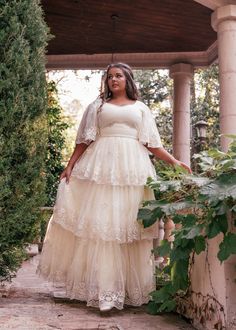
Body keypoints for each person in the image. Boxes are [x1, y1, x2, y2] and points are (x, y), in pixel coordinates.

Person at [38, 63, 191, 312]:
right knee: (104, 227)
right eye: (109, 77)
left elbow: (151, 143)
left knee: (129, 226)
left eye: (118, 75)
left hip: (132, 170)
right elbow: (84, 140)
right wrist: (70, 166)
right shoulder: (97, 106)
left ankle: (130, 289)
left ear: (128, 79)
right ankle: (104, 291)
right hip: (101, 168)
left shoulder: (141, 108)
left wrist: (173, 160)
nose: (113, 80)